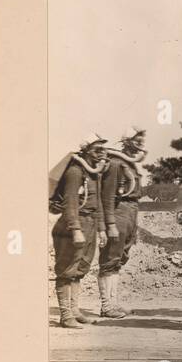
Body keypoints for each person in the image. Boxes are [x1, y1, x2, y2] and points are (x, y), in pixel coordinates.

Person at [50, 134, 108, 329]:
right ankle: (65, 315)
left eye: (103, 149)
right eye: (97, 149)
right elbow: (70, 204)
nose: (102, 153)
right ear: (85, 150)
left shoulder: (93, 173)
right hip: (71, 225)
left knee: (80, 269)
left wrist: (101, 229)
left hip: (90, 224)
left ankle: (74, 310)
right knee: (67, 270)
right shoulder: (75, 172)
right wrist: (75, 229)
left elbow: (97, 203)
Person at [95, 127, 146, 319]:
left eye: (142, 138)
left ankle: (113, 303)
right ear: (127, 141)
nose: (141, 142)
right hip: (118, 213)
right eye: (137, 139)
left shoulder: (129, 164)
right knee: (110, 259)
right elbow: (107, 198)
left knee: (119, 259)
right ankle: (106, 306)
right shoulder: (116, 164)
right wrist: (110, 225)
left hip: (130, 213)